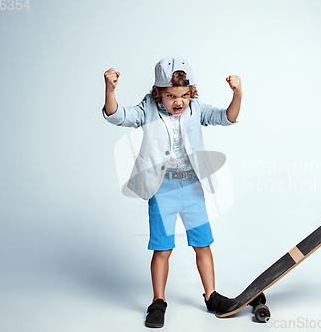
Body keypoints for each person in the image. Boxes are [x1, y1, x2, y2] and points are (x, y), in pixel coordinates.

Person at [102, 57, 242, 328]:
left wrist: (237, 94)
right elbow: (118, 116)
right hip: (161, 189)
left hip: (191, 188)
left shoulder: (196, 109)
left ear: (191, 93)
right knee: (162, 249)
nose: (178, 102)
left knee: (203, 243)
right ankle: (158, 302)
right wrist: (110, 90)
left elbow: (227, 117)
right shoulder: (148, 109)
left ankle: (212, 296)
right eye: (170, 96)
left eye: (184, 95)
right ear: (158, 93)